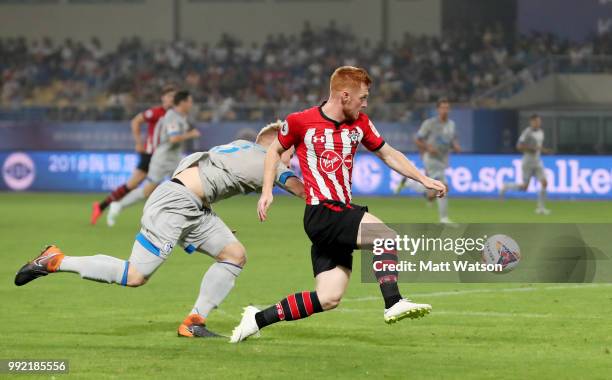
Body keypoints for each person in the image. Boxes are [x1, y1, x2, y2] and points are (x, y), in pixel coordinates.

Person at [15, 122, 304, 338]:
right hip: (175, 205)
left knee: (234, 254)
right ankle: (54, 260)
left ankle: (194, 322)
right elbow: (295, 186)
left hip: (195, 207)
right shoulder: (262, 157)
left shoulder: (241, 148)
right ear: (275, 145)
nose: (289, 160)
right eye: (289, 152)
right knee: (135, 276)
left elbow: (197, 170)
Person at [230, 66, 446, 343]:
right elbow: (274, 150)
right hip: (323, 211)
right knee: (384, 237)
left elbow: (388, 154)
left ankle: (257, 319)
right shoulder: (301, 121)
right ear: (345, 95)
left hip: (336, 213)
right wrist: (267, 191)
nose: (365, 103)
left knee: (329, 297)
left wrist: (422, 178)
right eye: (363, 97)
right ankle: (393, 301)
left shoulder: (360, 123)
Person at [107, 90, 200, 226]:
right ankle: (118, 205)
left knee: (188, 186)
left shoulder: (181, 116)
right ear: (183, 102)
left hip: (174, 158)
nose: (192, 104)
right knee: (148, 190)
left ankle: (189, 219)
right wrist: (190, 134)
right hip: (163, 159)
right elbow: (173, 138)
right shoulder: (172, 116)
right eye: (190, 101)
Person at [90, 85, 176, 225]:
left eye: (174, 97)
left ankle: (106, 207)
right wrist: (138, 143)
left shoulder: (175, 115)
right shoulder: (155, 112)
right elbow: (136, 121)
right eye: (169, 96)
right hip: (151, 155)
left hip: (165, 157)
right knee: (133, 185)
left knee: (146, 188)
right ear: (163, 98)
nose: (171, 99)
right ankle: (103, 206)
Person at [413, 98, 461, 224]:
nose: (445, 110)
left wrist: (455, 146)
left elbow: (451, 140)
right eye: (442, 107)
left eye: (447, 108)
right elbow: (418, 139)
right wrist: (427, 147)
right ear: (438, 109)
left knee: (431, 192)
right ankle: (444, 218)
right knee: (443, 186)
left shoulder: (451, 125)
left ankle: (409, 183)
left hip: (443, 160)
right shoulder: (430, 123)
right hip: (431, 159)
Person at [500, 114, 552, 214]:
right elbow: (519, 146)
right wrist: (531, 149)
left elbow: (538, 147)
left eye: (539, 121)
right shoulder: (527, 132)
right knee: (524, 187)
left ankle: (540, 208)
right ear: (531, 122)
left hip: (537, 161)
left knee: (544, 182)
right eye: (536, 121)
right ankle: (506, 186)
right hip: (528, 161)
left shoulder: (541, 132)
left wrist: (545, 150)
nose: (538, 123)